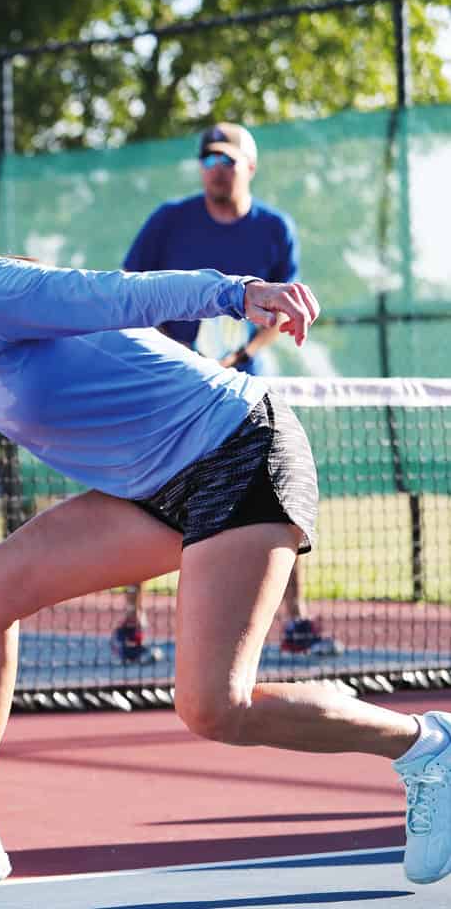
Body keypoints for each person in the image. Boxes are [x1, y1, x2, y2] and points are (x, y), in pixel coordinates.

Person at [0, 170, 450, 891]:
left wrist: (240, 293)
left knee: (214, 706)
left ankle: (427, 748)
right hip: (150, 488)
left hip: (238, 449)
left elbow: (119, 294)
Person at [115, 122, 338, 664]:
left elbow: (281, 311)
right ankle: (132, 622)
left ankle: (294, 622)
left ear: (250, 166)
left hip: (242, 392)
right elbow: (126, 291)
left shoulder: (274, 229)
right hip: (171, 385)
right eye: (209, 161)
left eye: (228, 161)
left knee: (278, 496)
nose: (217, 170)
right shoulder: (169, 221)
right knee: (147, 492)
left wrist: (235, 358)